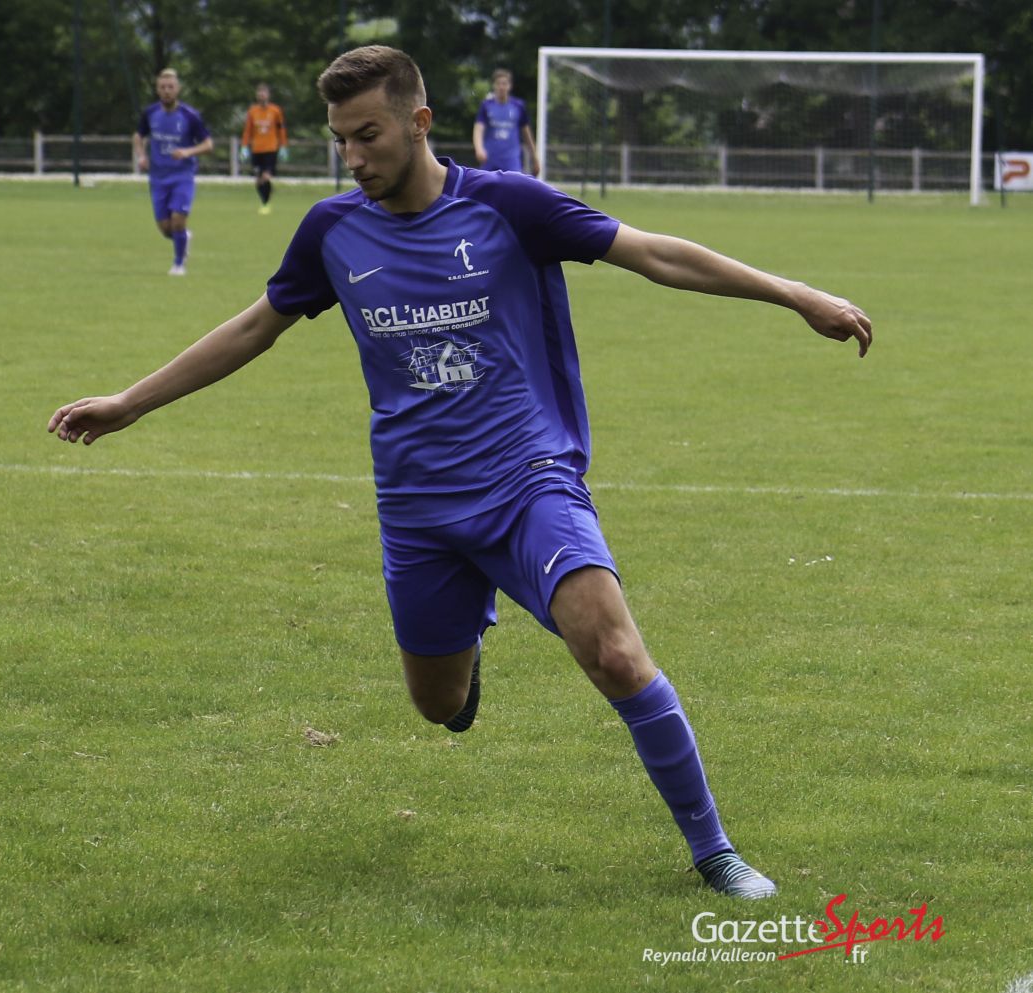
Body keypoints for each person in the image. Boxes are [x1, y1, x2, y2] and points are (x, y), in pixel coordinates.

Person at [50, 46, 872, 899]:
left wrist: (795, 293)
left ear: (419, 122)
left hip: (529, 479)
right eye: (340, 140)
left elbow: (655, 253)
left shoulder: (510, 205)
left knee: (615, 652)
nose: (353, 156)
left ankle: (715, 851)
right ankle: (467, 649)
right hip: (418, 505)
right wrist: (131, 402)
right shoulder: (332, 231)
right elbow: (257, 325)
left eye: (368, 135)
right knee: (439, 705)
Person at [135, 69, 213, 275]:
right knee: (165, 228)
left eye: (170, 87)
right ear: (157, 89)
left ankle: (179, 264)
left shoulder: (190, 115)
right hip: (158, 178)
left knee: (178, 219)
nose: (167, 91)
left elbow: (208, 144)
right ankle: (184, 237)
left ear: (178, 89)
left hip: (182, 176)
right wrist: (141, 156)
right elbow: (138, 136)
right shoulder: (150, 113)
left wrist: (188, 151)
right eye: (163, 87)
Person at [473, 68, 538, 176]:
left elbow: (527, 134)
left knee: (514, 184)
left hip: (511, 161)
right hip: (490, 159)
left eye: (504, 84)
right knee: (486, 185)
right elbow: (478, 129)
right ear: (494, 85)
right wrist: (479, 149)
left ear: (510, 86)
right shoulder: (486, 105)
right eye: (498, 83)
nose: (501, 87)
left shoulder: (518, 106)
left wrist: (534, 158)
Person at [241, 83, 289, 215]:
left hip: (270, 149)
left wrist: (283, 146)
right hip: (256, 150)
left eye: (264, 92)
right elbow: (247, 130)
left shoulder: (275, 111)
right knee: (258, 180)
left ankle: (266, 204)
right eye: (259, 93)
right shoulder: (252, 111)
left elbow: (281, 129)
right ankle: (264, 200)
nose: (261, 95)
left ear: (268, 95)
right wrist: (244, 146)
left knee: (266, 177)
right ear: (257, 95)